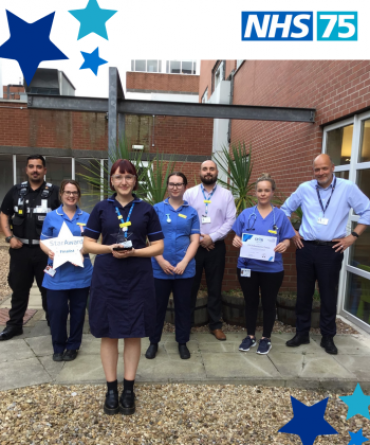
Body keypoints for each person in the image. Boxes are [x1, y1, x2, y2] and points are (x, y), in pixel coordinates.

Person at [83, 159, 164, 416]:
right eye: (119, 177)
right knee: (108, 332)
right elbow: (87, 244)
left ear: (135, 181)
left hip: (138, 275)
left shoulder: (146, 209)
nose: (124, 181)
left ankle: (128, 388)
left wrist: (135, 252)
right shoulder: (101, 208)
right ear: (111, 180)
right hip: (108, 275)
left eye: (129, 177)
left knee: (133, 331)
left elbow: (158, 246)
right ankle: (110, 388)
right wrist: (110, 248)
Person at [282, 154, 370, 354]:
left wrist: (353, 236)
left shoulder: (347, 188)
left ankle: (328, 337)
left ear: (332, 168)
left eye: (324, 168)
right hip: (304, 248)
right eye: (316, 169)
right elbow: (285, 210)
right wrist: (292, 232)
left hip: (331, 250)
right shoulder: (305, 188)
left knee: (328, 295)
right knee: (303, 293)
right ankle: (301, 333)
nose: (320, 173)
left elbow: (367, 211)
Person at [232, 174, 295, 355]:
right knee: (250, 302)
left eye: (267, 190)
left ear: (272, 192)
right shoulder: (246, 214)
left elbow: (287, 239)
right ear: (256, 192)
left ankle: (266, 338)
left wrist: (285, 244)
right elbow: (237, 235)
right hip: (247, 266)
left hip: (272, 269)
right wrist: (236, 240)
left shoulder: (280, 216)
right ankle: (250, 336)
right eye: (260, 190)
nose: (263, 194)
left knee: (268, 303)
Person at [0, 155, 60, 341]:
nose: (35, 170)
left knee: (48, 288)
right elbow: (4, 213)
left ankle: (54, 323)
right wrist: (9, 237)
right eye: (31, 166)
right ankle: (15, 325)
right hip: (21, 250)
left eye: (39, 167)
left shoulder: (54, 192)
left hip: (46, 253)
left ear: (45, 170)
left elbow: (65, 216)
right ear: (26, 170)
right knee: (19, 289)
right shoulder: (16, 191)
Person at [146, 172, 200, 360]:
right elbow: (150, 238)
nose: (175, 187)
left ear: (185, 187)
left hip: (184, 270)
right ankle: (153, 342)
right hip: (159, 268)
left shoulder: (191, 212)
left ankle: (182, 342)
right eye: (171, 184)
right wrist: (160, 259)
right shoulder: (156, 209)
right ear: (167, 186)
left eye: (179, 184)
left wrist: (184, 262)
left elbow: (194, 241)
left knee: (183, 307)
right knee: (157, 307)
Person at [40, 180, 93, 362]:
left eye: (75, 192)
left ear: (79, 195)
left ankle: (73, 346)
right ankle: (58, 346)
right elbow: (43, 240)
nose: (71, 196)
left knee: (78, 313)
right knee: (57, 312)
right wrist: (49, 252)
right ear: (61, 194)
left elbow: (91, 242)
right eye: (68, 192)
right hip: (57, 274)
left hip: (81, 275)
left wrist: (82, 250)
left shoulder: (87, 217)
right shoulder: (52, 217)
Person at [184, 160, 236, 341]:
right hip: (194, 247)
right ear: (200, 172)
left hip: (216, 247)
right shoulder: (189, 194)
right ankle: (187, 323)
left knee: (215, 286)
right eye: (205, 169)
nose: (208, 172)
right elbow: (185, 217)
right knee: (191, 285)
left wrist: (211, 237)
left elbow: (230, 220)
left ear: (216, 172)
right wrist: (199, 239)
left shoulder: (226, 195)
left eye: (211, 169)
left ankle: (215, 324)